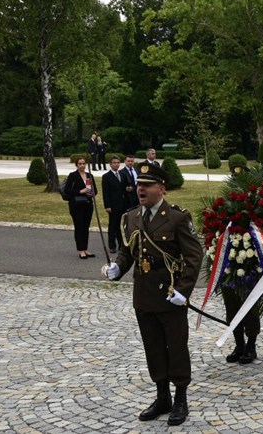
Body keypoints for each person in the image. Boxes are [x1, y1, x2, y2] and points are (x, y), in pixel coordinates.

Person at [101, 163, 203, 426]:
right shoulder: (132, 216)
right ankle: (162, 397)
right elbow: (129, 251)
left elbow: (194, 257)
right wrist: (118, 267)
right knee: (153, 347)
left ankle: (180, 398)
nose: (141, 189)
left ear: (162, 189)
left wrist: (183, 291)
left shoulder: (178, 217)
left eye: (147, 185)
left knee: (176, 347)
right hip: (144, 295)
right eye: (139, 184)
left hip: (170, 295)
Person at [222, 163, 261, 366]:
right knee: (232, 307)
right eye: (234, 181)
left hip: (250, 264)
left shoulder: (256, 204)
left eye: (240, 182)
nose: (236, 186)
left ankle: (251, 345)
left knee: (250, 306)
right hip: (229, 263)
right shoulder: (225, 205)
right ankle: (238, 344)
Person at [64, 157, 97, 259]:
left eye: (84, 163)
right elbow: (67, 190)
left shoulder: (89, 175)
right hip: (76, 205)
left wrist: (91, 192)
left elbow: (95, 190)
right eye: (80, 164)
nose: (82, 165)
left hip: (87, 204)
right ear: (76, 165)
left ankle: (86, 249)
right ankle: (81, 250)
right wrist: (80, 191)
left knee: (86, 227)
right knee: (79, 227)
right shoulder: (73, 176)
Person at [102, 155, 127, 254]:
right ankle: (112, 245)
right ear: (110, 164)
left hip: (123, 204)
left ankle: (122, 244)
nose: (116, 164)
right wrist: (107, 206)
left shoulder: (122, 174)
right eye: (114, 163)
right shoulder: (106, 177)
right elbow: (106, 193)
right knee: (113, 226)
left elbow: (125, 187)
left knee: (121, 226)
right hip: (113, 205)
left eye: (118, 163)